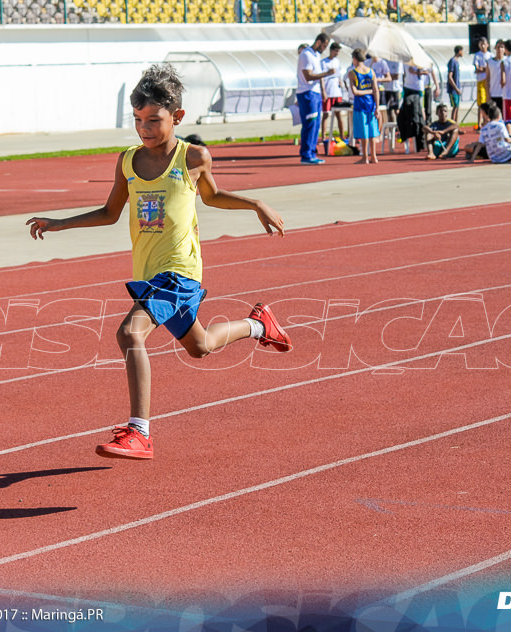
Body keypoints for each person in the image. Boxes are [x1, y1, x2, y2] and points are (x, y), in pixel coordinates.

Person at [25, 64, 290, 460]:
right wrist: (59, 223)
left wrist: (256, 203)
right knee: (199, 346)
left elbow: (212, 196)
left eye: (153, 120)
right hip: (149, 275)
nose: (144, 128)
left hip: (179, 271)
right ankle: (258, 324)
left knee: (130, 334)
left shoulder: (193, 156)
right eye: (137, 120)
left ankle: (139, 432)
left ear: (177, 117)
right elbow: (109, 212)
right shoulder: (128, 161)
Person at [297, 33, 336, 164]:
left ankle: (312, 152)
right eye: (324, 45)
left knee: (316, 123)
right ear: (318, 42)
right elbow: (308, 76)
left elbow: (318, 76)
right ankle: (306, 154)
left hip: (316, 92)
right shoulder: (306, 55)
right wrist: (327, 73)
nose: (324, 49)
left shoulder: (316, 55)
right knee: (310, 123)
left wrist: (323, 91)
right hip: (307, 92)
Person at [349, 47, 380, 164]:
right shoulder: (371, 71)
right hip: (371, 105)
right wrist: (377, 107)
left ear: (355, 59)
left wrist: (368, 92)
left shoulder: (352, 73)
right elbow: (376, 90)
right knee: (372, 131)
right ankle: (374, 156)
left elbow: (355, 92)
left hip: (360, 106)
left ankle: (365, 157)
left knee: (364, 132)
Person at [320, 43, 346, 141]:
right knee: (326, 114)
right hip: (328, 90)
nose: (337, 53)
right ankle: (323, 136)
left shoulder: (337, 61)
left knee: (339, 114)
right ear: (331, 50)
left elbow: (339, 75)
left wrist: (341, 82)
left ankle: (342, 135)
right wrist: (323, 91)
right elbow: (321, 77)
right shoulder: (323, 62)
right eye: (336, 51)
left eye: (338, 51)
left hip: (337, 92)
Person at [473, 36, 490, 114]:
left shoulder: (491, 55)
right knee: (481, 102)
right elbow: (477, 69)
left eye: (484, 44)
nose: (482, 46)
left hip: (489, 80)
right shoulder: (477, 55)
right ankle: (480, 121)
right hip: (480, 80)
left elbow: (490, 68)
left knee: (488, 101)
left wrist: (483, 69)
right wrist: (484, 69)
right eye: (481, 44)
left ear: (487, 45)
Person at [488, 39, 505, 114]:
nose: (500, 49)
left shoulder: (507, 60)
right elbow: (487, 78)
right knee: (494, 115)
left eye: (501, 47)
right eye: (498, 47)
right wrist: (488, 93)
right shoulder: (490, 61)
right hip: (494, 93)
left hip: (505, 94)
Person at [446, 45, 463, 122]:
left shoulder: (456, 61)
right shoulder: (452, 61)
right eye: (462, 51)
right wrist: (456, 88)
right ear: (459, 51)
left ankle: (456, 125)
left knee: (457, 107)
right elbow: (450, 77)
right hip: (453, 89)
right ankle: (452, 125)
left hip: (456, 88)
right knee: (455, 107)